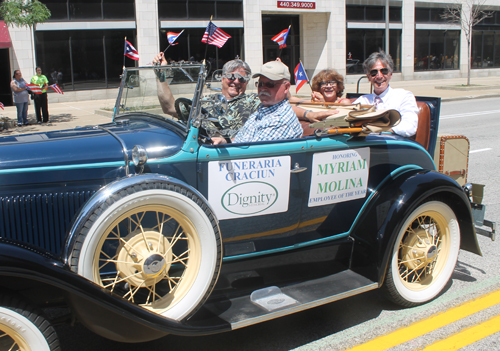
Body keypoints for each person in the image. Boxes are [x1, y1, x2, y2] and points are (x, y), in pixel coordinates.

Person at [153, 52, 338, 138]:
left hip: (224, 154)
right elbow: (169, 108)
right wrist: (160, 74)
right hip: (195, 143)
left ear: (247, 82)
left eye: (242, 79)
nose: (236, 81)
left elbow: (284, 106)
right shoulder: (207, 100)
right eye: (231, 77)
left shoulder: (254, 101)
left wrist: (310, 114)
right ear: (222, 78)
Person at [216, 60, 303, 144]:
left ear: (286, 87)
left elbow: (250, 153)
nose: (263, 88)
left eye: (270, 84)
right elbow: (241, 141)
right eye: (260, 84)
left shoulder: (279, 120)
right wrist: (225, 141)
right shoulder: (261, 112)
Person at [353, 51, 418, 138]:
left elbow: (410, 126)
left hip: (392, 146)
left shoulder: (404, 96)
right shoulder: (362, 100)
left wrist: (382, 130)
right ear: (368, 77)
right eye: (374, 72)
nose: (379, 76)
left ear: (391, 74)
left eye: (384, 71)